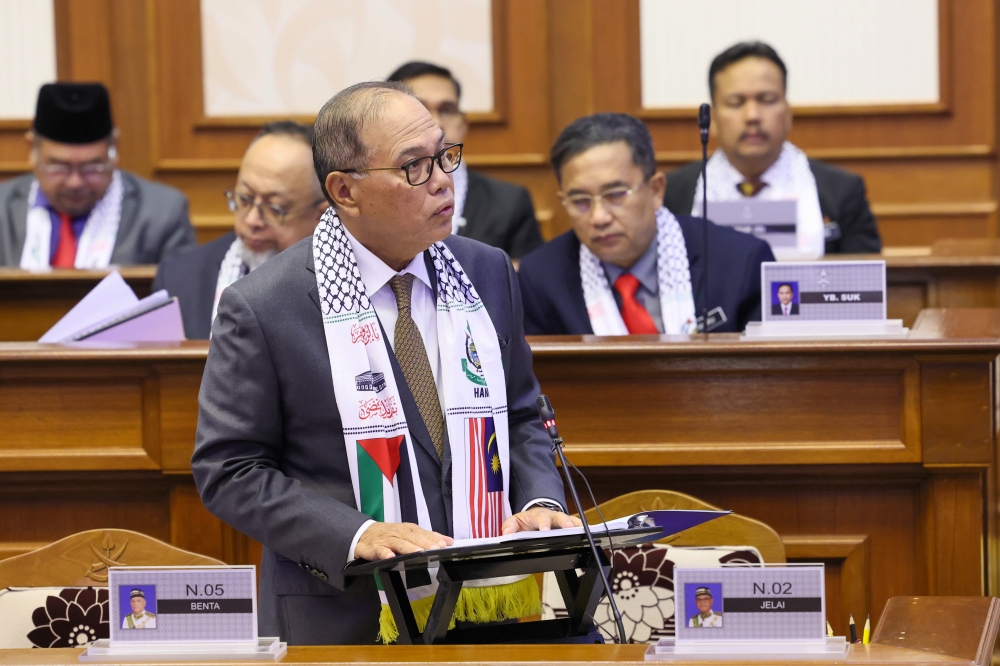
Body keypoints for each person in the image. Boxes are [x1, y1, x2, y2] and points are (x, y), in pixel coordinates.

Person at [191, 81, 578, 645]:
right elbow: (229, 469)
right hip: (344, 619)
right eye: (414, 167)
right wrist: (357, 533)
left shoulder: (488, 271)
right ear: (345, 190)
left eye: (444, 155)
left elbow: (521, 416)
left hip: (492, 609)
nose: (444, 179)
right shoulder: (263, 306)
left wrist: (541, 500)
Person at [517, 113, 773, 336]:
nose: (599, 218)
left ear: (656, 190)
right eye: (580, 200)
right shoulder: (541, 279)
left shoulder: (739, 262)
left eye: (616, 194)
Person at [662, 42, 881, 256]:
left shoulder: (841, 192)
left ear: (787, 113)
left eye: (767, 100)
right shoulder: (674, 194)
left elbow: (866, 284)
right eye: (736, 103)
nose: (753, 116)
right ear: (714, 118)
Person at [153, 121, 326, 339]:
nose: (252, 220)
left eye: (274, 208)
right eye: (244, 199)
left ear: (321, 215)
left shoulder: (345, 287)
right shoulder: (180, 279)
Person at [0, 82, 196, 268]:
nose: (75, 182)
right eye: (59, 167)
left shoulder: (161, 213)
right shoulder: (3, 209)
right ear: (32, 150)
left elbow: (183, 294)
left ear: (114, 149)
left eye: (91, 168)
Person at [387, 61, 544, 259]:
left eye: (447, 109)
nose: (437, 122)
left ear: (463, 124)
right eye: (420, 109)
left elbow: (526, 280)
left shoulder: (508, 202)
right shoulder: (376, 193)